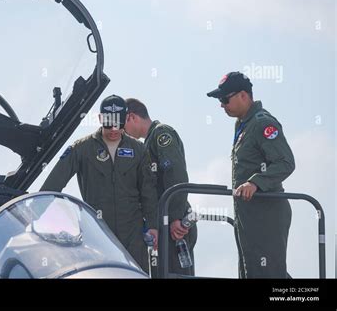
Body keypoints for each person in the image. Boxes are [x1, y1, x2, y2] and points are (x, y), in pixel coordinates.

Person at [40, 95, 158, 273]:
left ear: (126, 119)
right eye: (108, 124)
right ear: (100, 119)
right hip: (98, 234)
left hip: (133, 235)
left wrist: (153, 225)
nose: (113, 130)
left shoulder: (138, 150)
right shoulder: (82, 148)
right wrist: (36, 216)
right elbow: (53, 185)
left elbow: (148, 191)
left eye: (118, 124)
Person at [207, 71, 295, 278]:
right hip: (249, 214)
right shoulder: (244, 124)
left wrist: (255, 183)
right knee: (252, 271)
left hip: (266, 213)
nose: (222, 105)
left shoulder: (263, 123)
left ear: (244, 96)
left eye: (225, 99)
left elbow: (285, 162)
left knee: (268, 272)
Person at [124, 98, 197, 277]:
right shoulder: (147, 144)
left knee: (175, 273)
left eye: (122, 124)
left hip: (174, 223)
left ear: (131, 117)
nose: (121, 131)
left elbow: (175, 176)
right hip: (163, 222)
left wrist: (174, 218)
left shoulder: (161, 134)